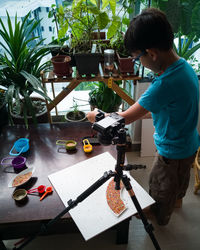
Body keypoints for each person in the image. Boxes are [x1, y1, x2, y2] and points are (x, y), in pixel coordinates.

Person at [87, 8, 200, 226]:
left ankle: (160, 216)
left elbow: (124, 118)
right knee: (179, 182)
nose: (139, 62)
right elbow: (161, 105)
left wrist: (95, 115)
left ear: (152, 53)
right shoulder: (184, 67)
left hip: (170, 153)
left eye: (137, 58)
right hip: (189, 145)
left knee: (160, 186)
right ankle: (176, 201)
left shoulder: (163, 84)